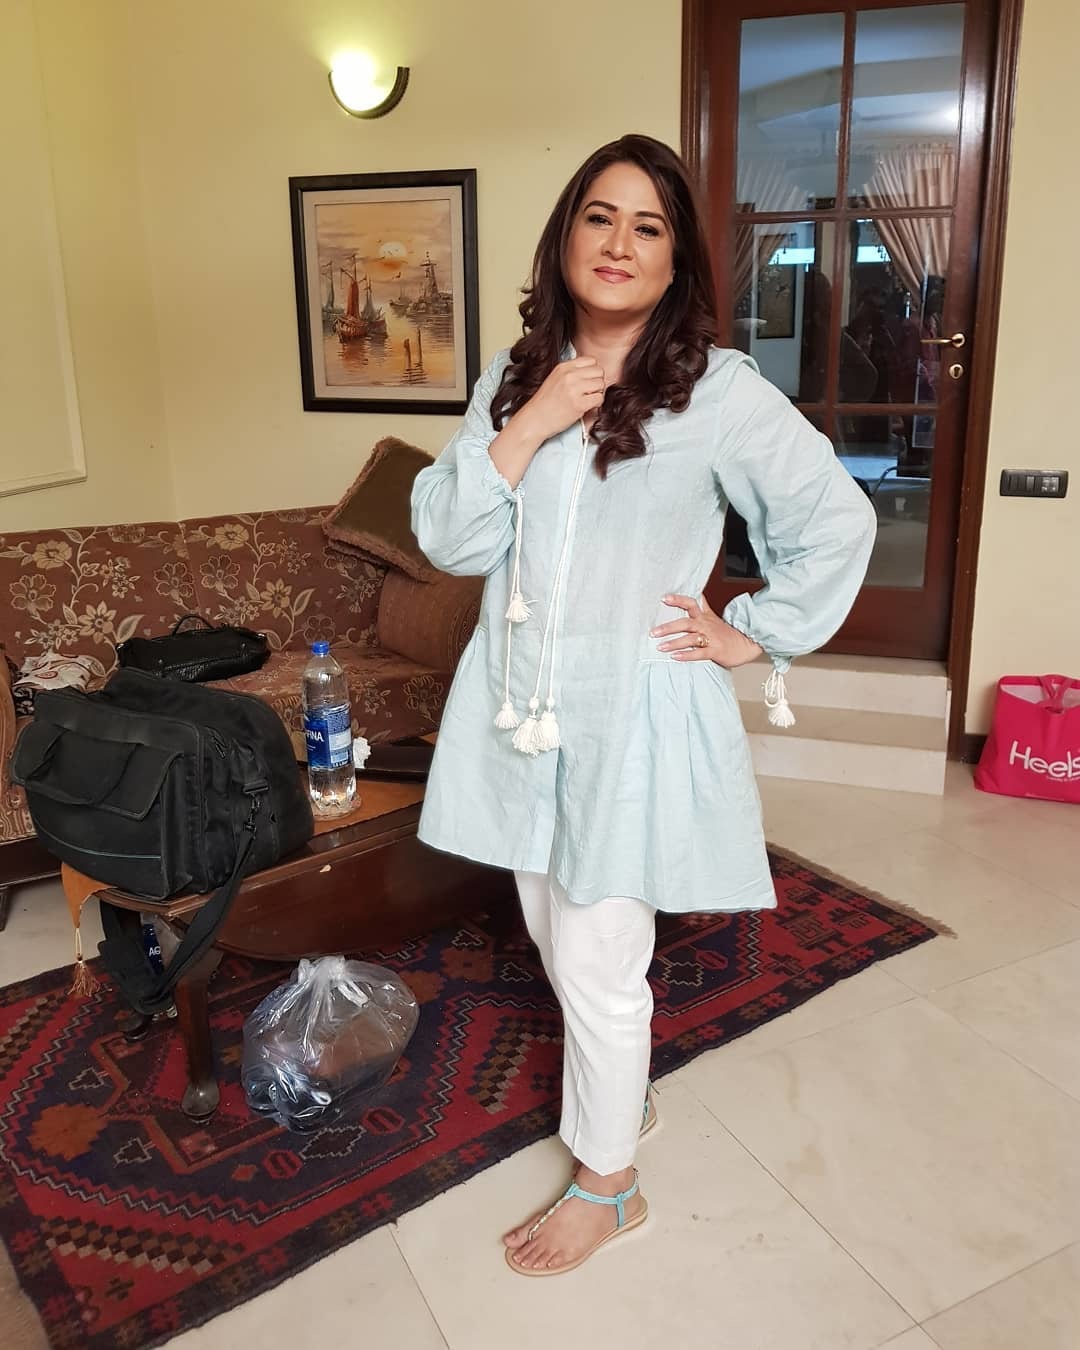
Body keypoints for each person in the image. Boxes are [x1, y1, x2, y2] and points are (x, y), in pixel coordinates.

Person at [410, 134, 876, 1277]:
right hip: (521, 705)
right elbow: (451, 539)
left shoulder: (718, 392)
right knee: (552, 929)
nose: (619, 243)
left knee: (598, 945)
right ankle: (622, 1094)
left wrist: (751, 630)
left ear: (675, 263)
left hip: (632, 711)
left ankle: (609, 1185)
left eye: (649, 227)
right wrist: (529, 422)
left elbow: (836, 519)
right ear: (566, 237)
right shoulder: (515, 377)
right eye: (600, 217)